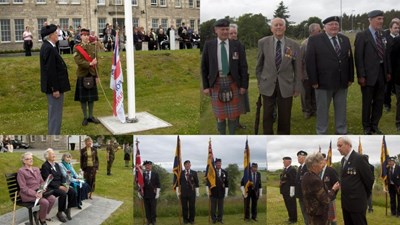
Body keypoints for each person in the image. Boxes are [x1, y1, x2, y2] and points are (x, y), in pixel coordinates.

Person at [306, 16, 354, 135]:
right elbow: (310, 62)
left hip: (342, 82)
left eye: (336, 24)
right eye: (331, 24)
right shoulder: (315, 40)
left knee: (341, 109)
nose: (334, 26)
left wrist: (350, 78)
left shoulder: (345, 39)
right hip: (323, 83)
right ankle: (321, 132)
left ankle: (341, 131)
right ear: (324, 27)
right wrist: (313, 81)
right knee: (322, 111)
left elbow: (349, 60)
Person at [201, 18, 249, 134]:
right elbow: (204, 67)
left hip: (233, 82)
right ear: (216, 30)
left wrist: (244, 85)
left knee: (233, 115)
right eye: (222, 29)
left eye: (227, 29)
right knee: (220, 116)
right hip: (216, 82)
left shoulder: (237, 45)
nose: (225, 32)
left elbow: (243, 66)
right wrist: (206, 86)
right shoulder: (209, 45)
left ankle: (232, 134)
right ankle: (222, 135)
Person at [256, 17, 301, 134]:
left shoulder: (294, 45)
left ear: (285, 28)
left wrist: (297, 87)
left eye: (281, 25)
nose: (278, 27)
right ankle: (267, 135)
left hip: (286, 86)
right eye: (276, 25)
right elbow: (259, 66)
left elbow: (298, 68)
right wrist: (260, 82)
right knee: (267, 116)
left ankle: (283, 135)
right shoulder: (263, 42)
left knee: (285, 116)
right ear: (271, 28)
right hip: (267, 84)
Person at [355, 10, 391, 135]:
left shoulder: (382, 35)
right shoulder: (362, 35)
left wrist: (388, 71)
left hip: (382, 74)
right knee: (367, 102)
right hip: (368, 76)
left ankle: (375, 125)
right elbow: (358, 57)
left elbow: (386, 55)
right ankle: (366, 127)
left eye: (382, 19)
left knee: (379, 101)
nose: (381, 21)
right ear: (370, 20)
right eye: (378, 19)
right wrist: (361, 75)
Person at [40, 24, 71, 135]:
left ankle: (53, 133)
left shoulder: (49, 47)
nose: (57, 35)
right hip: (54, 89)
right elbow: (50, 71)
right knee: (55, 115)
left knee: (55, 114)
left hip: (55, 87)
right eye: (55, 33)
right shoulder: (48, 48)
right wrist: (55, 89)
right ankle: (53, 135)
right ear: (50, 36)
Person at [337, 136, 374, 225]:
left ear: (348, 145)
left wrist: (364, 196)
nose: (338, 148)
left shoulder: (359, 158)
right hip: (346, 203)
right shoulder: (343, 160)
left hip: (357, 203)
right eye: (337, 146)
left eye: (340, 146)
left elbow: (369, 180)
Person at [17, 152, 56, 225]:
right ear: (24, 161)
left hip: (39, 191)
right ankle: (42, 219)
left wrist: (44, 187)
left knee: (52, 198)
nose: (31, 160)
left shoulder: (36, 169)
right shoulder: (21, 171)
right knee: (45, 202)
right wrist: (35, 194)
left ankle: (38, 214)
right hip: (28, 194)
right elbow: (23, 188)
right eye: (28, 159)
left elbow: (41, 181)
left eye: (31, 158)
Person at [302, 153, 340, 225]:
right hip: (318, 215)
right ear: (314, 165)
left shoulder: (306, 175)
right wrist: (333, 189)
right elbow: (325, 200)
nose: (322, 166)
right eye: (320, 163)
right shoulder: (315, 180)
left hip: (311, 211)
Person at [41, 148, 77, 222]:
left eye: (54, 153)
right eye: (52, 154)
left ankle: (67, 209)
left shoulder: (56, 164)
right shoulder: (45, 166)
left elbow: (62, 176)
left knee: (72, 191)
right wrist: (59, 187)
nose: (54, 155)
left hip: (60, 184)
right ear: (47, 156)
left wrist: (65, 184)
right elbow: (48, 181)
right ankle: (60, 212)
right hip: (51, 187)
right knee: (63, 194)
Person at [73, 28, 100, 126]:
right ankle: (85, 117)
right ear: (81, 36)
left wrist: (97, 76)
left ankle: (91, 116)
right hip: (82, 74)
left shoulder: (93, 47)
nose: (86, 37)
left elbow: (97, 63)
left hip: (92, 74)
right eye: (84, 35)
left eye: (87, 35)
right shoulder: (77, 47)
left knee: (91, 98)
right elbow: (78, 61)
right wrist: (89, 63)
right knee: (83, 99)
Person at [229, 24, 250, 130]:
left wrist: (243, 82)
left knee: (239, 104)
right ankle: (229, 124)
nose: (233, 35)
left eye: (235, 33)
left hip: (238, 79)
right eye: (231, 33)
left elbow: (243, 64)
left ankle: (236, 123)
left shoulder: (240, 45)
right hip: (227, 80)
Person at [299, 23, 320, 120]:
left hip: (317, 74)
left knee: (316, 93)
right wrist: (301, 74)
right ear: (312, 31)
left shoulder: (321, 42)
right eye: (318, 31)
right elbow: (300, 60)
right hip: (306, 75)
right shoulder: (304, 44)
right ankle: (307, 111)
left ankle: (315, 110)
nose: (320, 32)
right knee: (306, 94)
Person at [175, 160, 200, 224]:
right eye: (186, 164)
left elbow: (197, 183)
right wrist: (178, 192)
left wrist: (197, 192)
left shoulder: (194, 173)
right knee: (184, 207)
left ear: (190, 165)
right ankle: (185, 220)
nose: (187, 165)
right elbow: (178, 183)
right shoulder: (180, 173)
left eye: (189, 164)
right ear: (184, 165)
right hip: (183, 193)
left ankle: (192, 220)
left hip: (192, 193)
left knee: (192, 207)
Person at [383, 19, 400, 112]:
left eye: (398, 28)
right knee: (388, 87)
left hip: (398, 69)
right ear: (390, 29)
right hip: (389, 67)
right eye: (395, 28)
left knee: (397, 88)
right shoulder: (386, 39)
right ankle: (387, 104)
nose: (397, 29)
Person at [137, 160, 160, 225]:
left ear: (151, 166)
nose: (147, 166)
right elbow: (140, 184)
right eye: (146, 165)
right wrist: (139, 192)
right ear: (145, 166)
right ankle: (148, 220)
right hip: (145, 194)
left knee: (153, 208)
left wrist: (158, 192)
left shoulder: (155, 174)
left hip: (153, 194)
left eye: (149, 165)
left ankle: (153, 220)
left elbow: (158, 184)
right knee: (147, 208)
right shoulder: (143, 175)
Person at [206, 158, 229, 224]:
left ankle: (220, 219)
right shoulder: (212, 172)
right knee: (213, 208)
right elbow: (208, 182)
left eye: (219, 163)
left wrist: (226, 193)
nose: (218, 164)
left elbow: (227, 183)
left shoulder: (225, 172)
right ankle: (214, 219)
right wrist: (208, 192)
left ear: (221, 163)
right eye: (217, 163)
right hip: (213, 192)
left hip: (221, 192)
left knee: (220, 208)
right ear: (215, 164)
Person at [321, 153, 340, 225]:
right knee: (324, 217)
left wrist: (333, 195)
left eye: (321, 160)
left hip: (330, 198)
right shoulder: (317, 171)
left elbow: (337, 184)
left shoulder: (331, 170)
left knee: (332, 218)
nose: (319, 162)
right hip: (321, 198)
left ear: (325, 160)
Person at [280, 156, 297, 224]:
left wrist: (292, 191)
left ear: (289, 161)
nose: (283, 162)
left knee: (292, 205)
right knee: (287, 205)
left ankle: (294, 219)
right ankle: (290, 218)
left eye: (284, 161)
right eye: (283, 161)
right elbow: (282, 177)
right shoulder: (285, 169)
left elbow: (293, 180)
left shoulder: (292, 169)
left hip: (290, 190)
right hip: (285, 190)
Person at [295, 150, 309, 225]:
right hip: (301, 195)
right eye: (298, 157)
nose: (298, 158)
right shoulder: (300, 168)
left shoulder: (308, 167)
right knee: (304, 212)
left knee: (308, 213)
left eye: (299, 157)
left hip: (307, 195)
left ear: (304, 157)